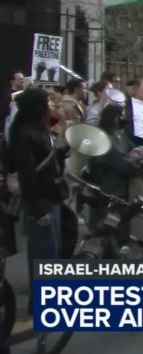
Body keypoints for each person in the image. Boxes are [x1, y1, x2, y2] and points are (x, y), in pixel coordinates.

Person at [9, 88, 67, 312]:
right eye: (48, 102)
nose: (52, 106)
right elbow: (28, 176)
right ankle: (41, 303)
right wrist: (37, 209)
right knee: (43, 255)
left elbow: (49, 162)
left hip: (52, 197)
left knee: (52, 253)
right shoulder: (25, 134)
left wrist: (61, 151)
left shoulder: (42, 129)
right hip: (41, 202)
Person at [85, 104, 143, 232]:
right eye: (122, 115)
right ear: (114, 117)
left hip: (121, 190)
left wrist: (136, 156)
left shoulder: (119, 135)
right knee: (104, 230)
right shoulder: (104, 139)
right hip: (107, 191)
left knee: (118, 227)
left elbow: (134, 149)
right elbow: (122, 163)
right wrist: (133, 159)